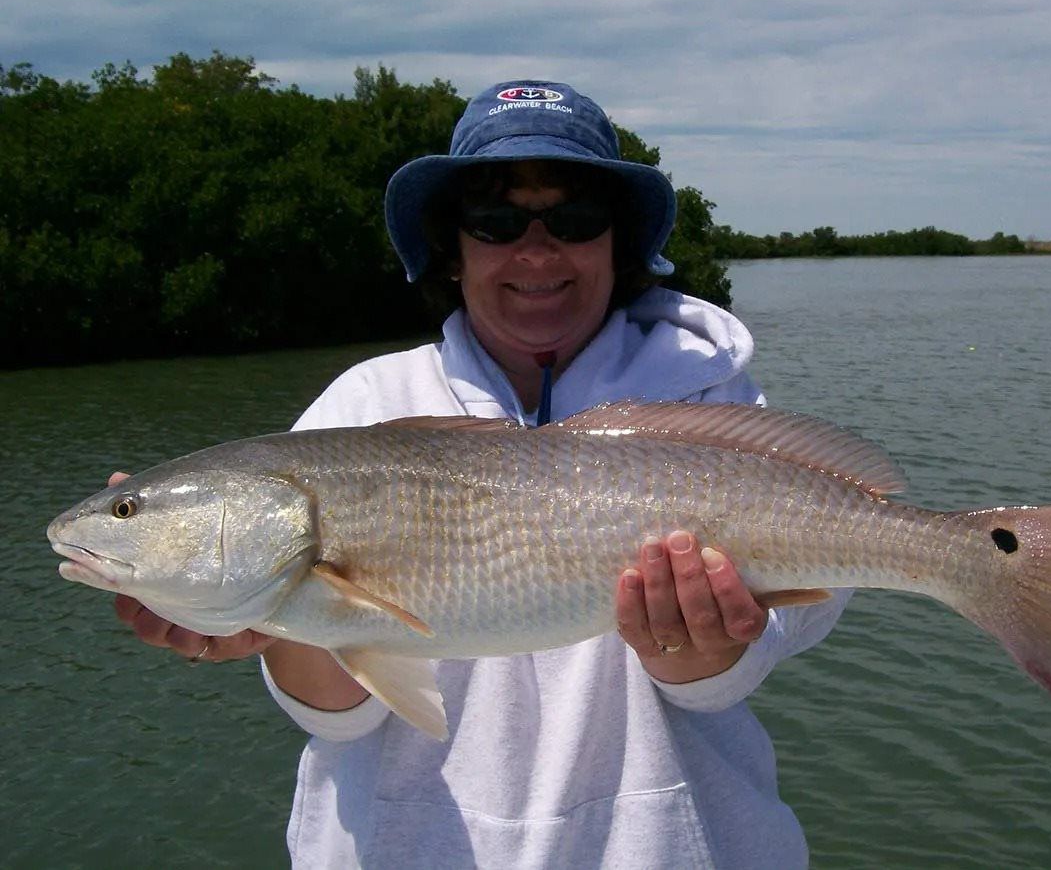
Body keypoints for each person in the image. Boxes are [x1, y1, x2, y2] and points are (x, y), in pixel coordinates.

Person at [115, 79, 852, 868]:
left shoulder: (707, 397)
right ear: (452, 246)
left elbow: (776, 636)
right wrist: (274, 627)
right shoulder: (361, 407)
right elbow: (339, 716)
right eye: (495, 222)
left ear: (619, 240)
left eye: (575, 219)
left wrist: (701, 651)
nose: (536, 252)